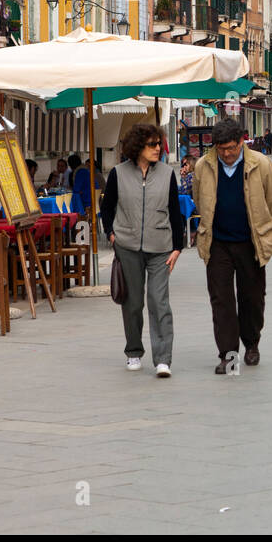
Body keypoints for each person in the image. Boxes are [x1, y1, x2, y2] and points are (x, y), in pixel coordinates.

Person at [192, 118, 272, 375]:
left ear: (241, 142)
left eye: (232, 148)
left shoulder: (260, 164)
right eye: (222, 149)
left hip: (250, 241)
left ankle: (251, 343)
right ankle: (228, 355)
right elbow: (200, 199)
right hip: (217, 243)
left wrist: (261, 225)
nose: (227, 154)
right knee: (221, 301)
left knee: (252, 298)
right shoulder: (203, 166)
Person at [102, 124, 184, 378]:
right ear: (138, 147)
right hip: (127, 246)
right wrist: (112, 235)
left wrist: (178, 247)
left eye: (159, 144)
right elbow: (107, 208)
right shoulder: (118, 173)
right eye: (152, 145)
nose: (158, 148)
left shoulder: (168, 174)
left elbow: (175, 210)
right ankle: (134, 352)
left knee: (159, 303)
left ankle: (163, 359)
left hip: (161, 248)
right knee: (133, 303)